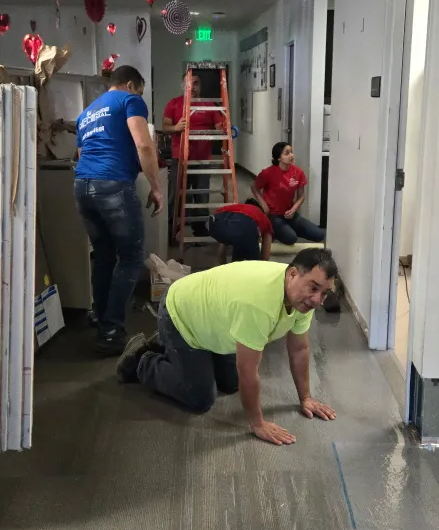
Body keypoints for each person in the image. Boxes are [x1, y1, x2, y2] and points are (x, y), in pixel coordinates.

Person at [117, 248, 338, 446]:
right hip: (181, 315)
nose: (318, 300)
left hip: (215, 319)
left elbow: (299, 349)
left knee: (231, 384)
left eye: (325, 293)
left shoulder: (301, 296)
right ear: (292, 274)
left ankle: (170, 345)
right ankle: (144, 359)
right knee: (200, 398)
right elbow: (247, 370)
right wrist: (257, 424)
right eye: (314, 287)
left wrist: (306, 398)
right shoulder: (258, 303)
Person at [74, 64, 163, 356]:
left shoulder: (86, 112)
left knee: (103, 256)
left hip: (83, 186)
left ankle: (101, 317)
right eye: (139, 89)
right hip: (112, 184)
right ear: (130, 84)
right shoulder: (130, 100)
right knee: (130, 256)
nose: (140, 95)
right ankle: (111, 332)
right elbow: (144, 145)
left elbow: (81, 153)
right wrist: (156, 186)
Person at [162, 72, 223, 239]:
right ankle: (171, 230)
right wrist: (176, 127)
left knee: (201, 195)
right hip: (179, 158)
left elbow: (219, 127)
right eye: (189, 83)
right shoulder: (174, 103)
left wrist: (219, 131)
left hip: (202, 159)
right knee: (175, 196)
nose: (193, 87)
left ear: (200, 86)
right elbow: (165, 126)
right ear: (183, 85)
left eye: (196, 83)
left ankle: (199, 228)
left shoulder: (209, 105)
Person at [251, 142, 325, 246]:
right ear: (278, 158)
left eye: (291, 152)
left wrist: (294, 209)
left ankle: (287, 229)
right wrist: (263, 203)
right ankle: (272, 230)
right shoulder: (268, 173)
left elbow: (301, 196)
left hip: (291, 214)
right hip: (274, 215)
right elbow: (254, 186)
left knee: (319, 235)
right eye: (287, 153)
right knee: (291, 238)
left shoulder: (298, 172)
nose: (291, 155)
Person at [206, 202, 273, 262]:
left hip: (217, 222)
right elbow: (265, 258)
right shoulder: (263, 218)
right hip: (246, 226)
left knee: (238, 243)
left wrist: (223, 266)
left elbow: (221, 253)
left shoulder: (236, 208)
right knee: (254, 265)